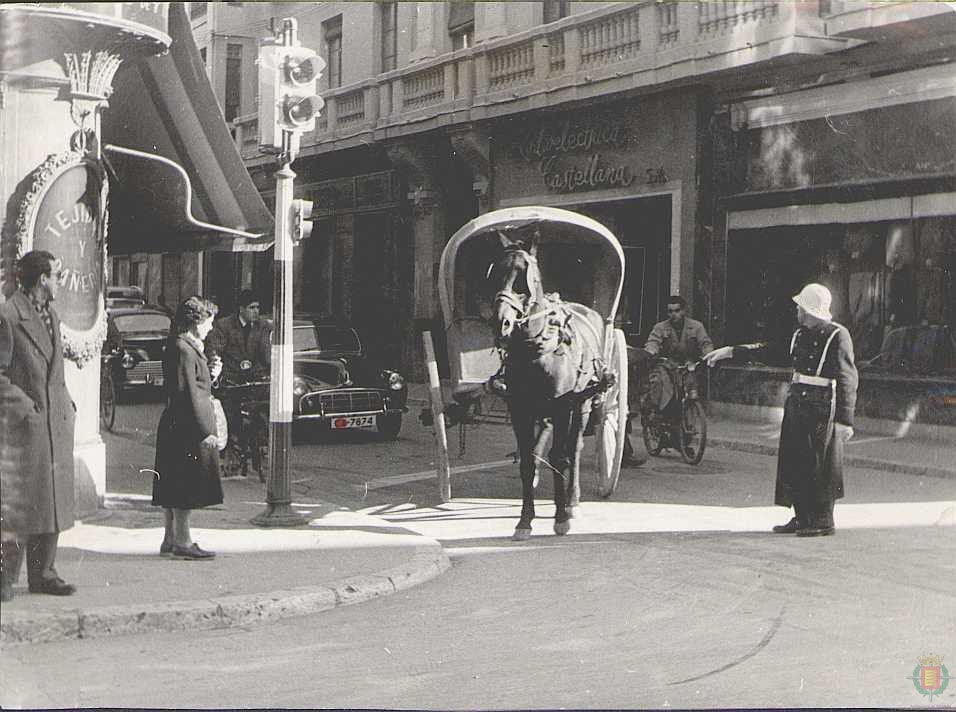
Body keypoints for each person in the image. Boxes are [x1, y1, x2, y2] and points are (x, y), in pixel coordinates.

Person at [704, 283, 858, 537]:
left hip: (822, 405)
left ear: (809, 310)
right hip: (797, 402)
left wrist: (845, 420)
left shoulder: (837, 335)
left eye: (800, 307)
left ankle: (822, 520)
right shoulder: (799, 334)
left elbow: (847, 379)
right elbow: (771, 351)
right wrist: (731, 352)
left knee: (820, 463)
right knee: (795, 459)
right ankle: (801, 516)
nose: (797, 311)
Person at [0, 250, 77, 601]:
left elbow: (53, 370)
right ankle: (5, 577)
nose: (59, 281)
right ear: (40, 279)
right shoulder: (7, 316)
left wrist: (67, 403)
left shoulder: (51, 315)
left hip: (55, 421)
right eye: (56, 275)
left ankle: (44, 573)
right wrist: (25, 408)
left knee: (52, 501)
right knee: (21, 501)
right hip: (27, 425)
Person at [153, 296, 223, 560]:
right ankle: (183, 540)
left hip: (177, 425)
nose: (210, 328)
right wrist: (205, 431)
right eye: (208, 322)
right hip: (186, 427)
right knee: (185, 485)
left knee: (172, 484)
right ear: (196, 322)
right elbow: (188, 394)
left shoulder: (182, 346)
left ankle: (170, 538)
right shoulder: (184, 348)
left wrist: (210, 374)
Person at [621, 296, 714, 465]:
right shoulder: (660, 327)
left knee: (691, 392)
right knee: (662, 387)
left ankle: (685, 431)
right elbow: (652, 344)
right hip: (666, 365)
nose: (674, 314)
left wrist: (708, 356)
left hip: (688, 365)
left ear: (684, 311)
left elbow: (705, 343)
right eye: (670, 311)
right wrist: (650, 352)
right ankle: (658, 417)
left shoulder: (696, 326)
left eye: (677, 310)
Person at [206, 289, 271, 384]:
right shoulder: (224, 325)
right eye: (252, 308)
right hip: (231, 378)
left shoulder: (263, 325)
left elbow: (266, 353)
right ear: (241, 309)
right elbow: (214, 351)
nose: (256, 311)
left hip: (256, 377)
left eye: (258, 307)